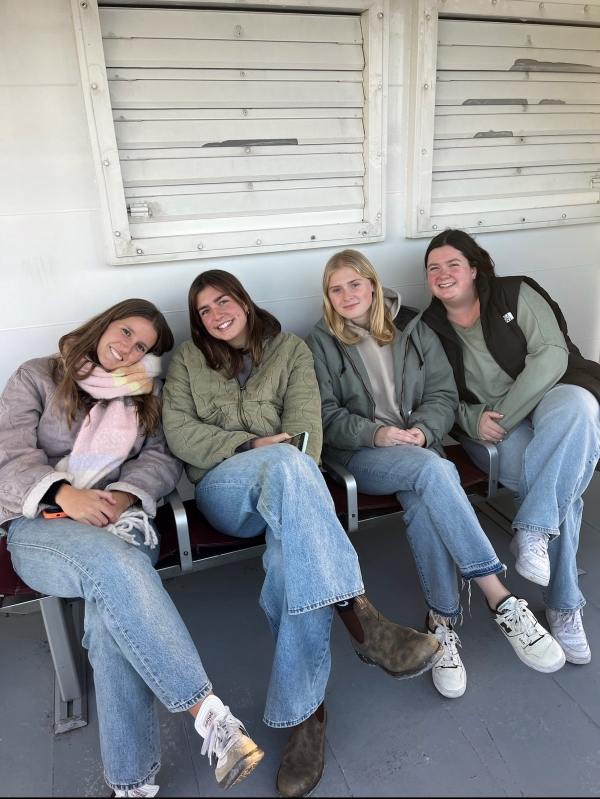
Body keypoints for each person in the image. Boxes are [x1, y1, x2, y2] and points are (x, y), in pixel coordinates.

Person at [162, 269, 443, 798]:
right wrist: (251, 447)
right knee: (287, 466)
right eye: (204, 310)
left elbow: (307, 432)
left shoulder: (289, 350)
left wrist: (286, 454)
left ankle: (305, 717)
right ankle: (361, 617)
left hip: (291, 488)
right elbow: (181, 433)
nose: (217, 314)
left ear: (244, 300)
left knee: (291, 557)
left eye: (224, 301)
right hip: (225, 490)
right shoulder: (187, 362)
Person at [0, 300, 265, 798]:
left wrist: (121, 497)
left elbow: (163, 460)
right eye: (124, 333)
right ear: (102, 326)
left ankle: (132, 785)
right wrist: (64, 494)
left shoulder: (149, 395)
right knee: (112, 568)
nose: (127, 350)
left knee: (108, 620)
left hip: (123, 519)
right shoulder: (37, 376)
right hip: (42, 524)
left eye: (141, 346)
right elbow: (7, 456)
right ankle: (210, 716)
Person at [306, 249, 566, 701]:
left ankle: (441, 624)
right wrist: (379, 433)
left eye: (354, 284)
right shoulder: (321, 341)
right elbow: (325, 415)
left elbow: (443, 394)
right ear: (327, 297)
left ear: (372, 284)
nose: (347, 295)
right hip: (364, 455)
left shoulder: (412, 327)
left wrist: (424, 432)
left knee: (427, 499)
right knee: (435, 471)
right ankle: (500, 598)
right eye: (336, 288)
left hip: (418, 448)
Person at [422, 229, 600, 666]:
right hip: (490, 428)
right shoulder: (429, 328)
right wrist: (471, 419)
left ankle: (534, 531)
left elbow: (552, 355)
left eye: (453, 265)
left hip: (551, 395)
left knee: (580, 405)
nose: (443, 274)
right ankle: (563, 603)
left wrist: (504, 413)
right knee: (563, 485)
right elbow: (435, 394)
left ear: (474, 268)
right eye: (433, 268)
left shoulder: (514, 293)